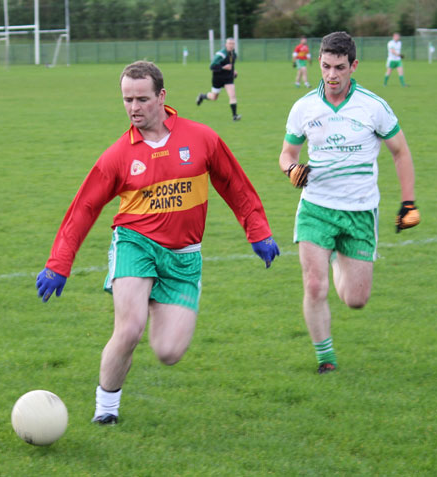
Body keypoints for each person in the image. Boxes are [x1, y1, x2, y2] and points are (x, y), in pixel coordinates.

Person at [36, 61, 280, 424]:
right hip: (136, 244)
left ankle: (150, 296)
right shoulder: (118, 155)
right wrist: (59, 263)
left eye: (142, 99)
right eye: (127, 99)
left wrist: (257, 228)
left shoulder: (201, 138)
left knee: (168, 352)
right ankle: (106, 410)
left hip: (184, 257)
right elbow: (84, 208)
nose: (134, 107)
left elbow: (234, 183)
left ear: (162, 97)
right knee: (130, 327)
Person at [279, 32, 420, 374]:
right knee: (314, 284)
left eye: (340, 68)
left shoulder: (374, 107)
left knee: (356, 300)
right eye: (326, 67)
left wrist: (408, 202)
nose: (331, 75)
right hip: (316, 207)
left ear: (353, 66)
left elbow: (400, 152)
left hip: (359, 210)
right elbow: (287, 154)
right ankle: (325, 359)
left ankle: (340, 262)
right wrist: (291, 170)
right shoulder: (304, 108)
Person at [196, 38, 241, 121]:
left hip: (228, 79)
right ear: (226, 44)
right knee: (214, 97)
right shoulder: (221, 54)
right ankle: (202, 96)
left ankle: (235, 116)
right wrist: (223, 67)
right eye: (229, 43)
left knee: (232, 95)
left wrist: (233, 71)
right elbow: (212, 66)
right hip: (218, 78)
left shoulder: (234, 54)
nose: (231, 45)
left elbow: (231, 65)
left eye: (233, 44)